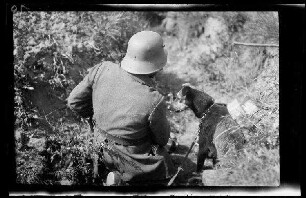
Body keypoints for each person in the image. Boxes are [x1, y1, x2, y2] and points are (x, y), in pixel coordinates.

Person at [67, 31, 176, 186]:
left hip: (100, 146)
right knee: (165, 164)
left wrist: (101, 118)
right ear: (157, 66)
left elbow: (74, 102)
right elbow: (162, 139)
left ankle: (112, 175)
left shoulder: (102, 69)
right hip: (132, 160)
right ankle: (125, 179)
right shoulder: (154, 99)